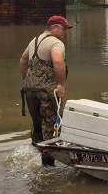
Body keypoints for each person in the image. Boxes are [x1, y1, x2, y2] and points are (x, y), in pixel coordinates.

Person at [20, 15, 73, 165]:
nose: (65, 33)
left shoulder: (34, 41)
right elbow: (57, 60)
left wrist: (26, 80)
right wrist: (61, 85)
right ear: (54, 27)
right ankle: (48, 167)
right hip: (46, 93)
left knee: (37, 124)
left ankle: (35, 158)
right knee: (50, 126)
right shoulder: (56, 43)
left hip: (30, 91)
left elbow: (23, 60)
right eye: (64, 29)